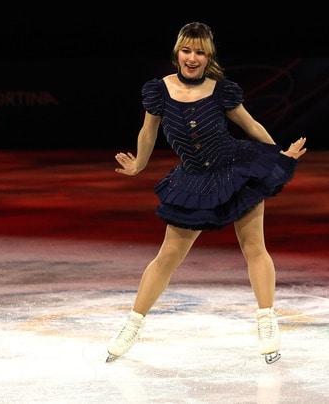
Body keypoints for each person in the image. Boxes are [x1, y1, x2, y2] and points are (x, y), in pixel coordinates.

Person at [106, 21, 307, 364]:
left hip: (236, 172)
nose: (192, 58)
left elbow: (250, 125)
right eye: (187, 50)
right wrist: (139, 164)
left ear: (208, 56)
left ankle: (267, 323)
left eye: (200, 52)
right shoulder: (159, 91)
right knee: (168, 257)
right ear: (177, 53)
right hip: (194, 181)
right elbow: (148, 132)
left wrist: (279, 155)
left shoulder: (221, 90)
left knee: (254, 247)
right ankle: (132, 325)